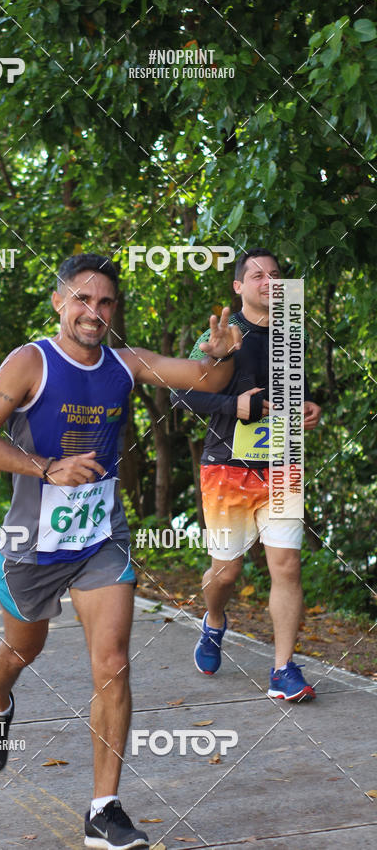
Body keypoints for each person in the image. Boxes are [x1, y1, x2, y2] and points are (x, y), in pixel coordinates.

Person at [0, 253, 242, 850]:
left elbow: (207, 380)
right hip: (35, 543)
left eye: (106, 302)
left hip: (101, 538)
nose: (95, 311)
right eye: (83, 299)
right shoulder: (30, 362)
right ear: (60, 302)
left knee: (112, 662)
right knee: (20, 649)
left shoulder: (124, 362)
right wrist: (45, 468)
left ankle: (103, 810)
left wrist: (220, 355)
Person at [171, 248, 322, 702]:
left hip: (282, 465)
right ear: (238, 287)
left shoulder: (292, 334)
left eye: (275, 275)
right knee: (227, 572)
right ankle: (214, 620)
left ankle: (282, 670)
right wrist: (232, 406)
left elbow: (294, 394)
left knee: (287, 567)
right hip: (227, 469)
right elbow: (182, 396)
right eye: (256, 275)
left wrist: (309, 408)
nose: (268, 281)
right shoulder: (220, 335)